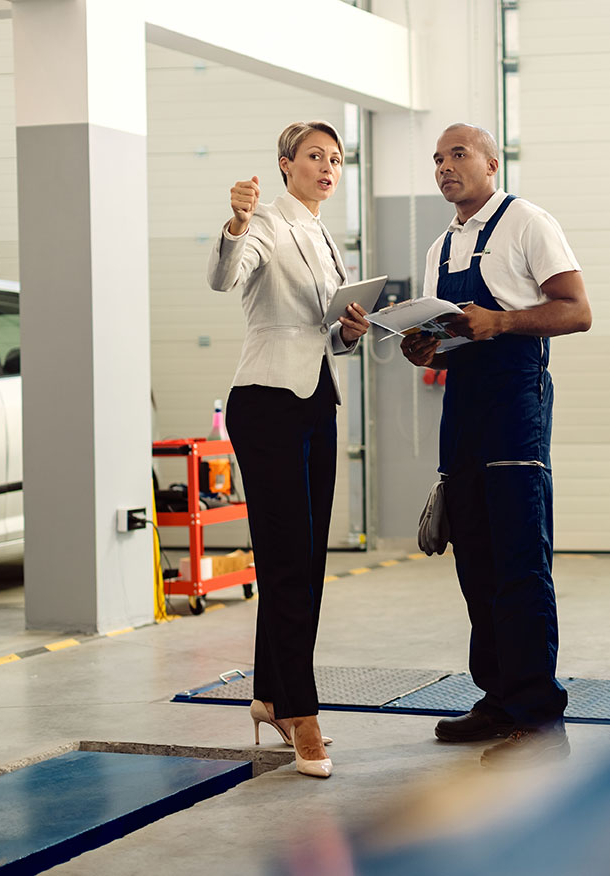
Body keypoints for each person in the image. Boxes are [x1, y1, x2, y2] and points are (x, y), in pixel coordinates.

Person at [401, 123, 592, 768]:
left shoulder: (528, 222)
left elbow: (578, 310)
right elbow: (451, 336)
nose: (444, 167)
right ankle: (499, 699)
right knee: (476, 560)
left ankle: (539, 720)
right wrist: (425, 347)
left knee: (519, 560)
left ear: (491, 163)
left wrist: (502, 321)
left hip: (514, 402)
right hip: (463, 407)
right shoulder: (440, 247)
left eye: (458, 155)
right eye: (437, 159)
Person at [207, 121, 369, 778]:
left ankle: (271, 696)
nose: (327, 167)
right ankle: (302, 714)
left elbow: (322, 333)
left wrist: (350, 331)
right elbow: (225, 277)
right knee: (284, 562)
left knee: (305, 562)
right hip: (267, 401)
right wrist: (235, 224)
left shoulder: (324, 234)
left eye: (335, 158)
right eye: (314, 156)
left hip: (316, 400)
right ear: (284, 164)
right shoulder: (267, 223)